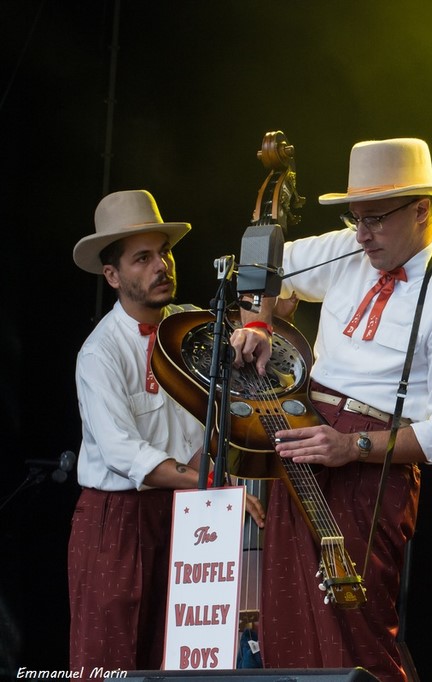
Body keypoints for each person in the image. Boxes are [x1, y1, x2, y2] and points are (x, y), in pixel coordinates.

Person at [231, 137, 432, 679]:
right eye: (355, 218)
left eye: (375, 218)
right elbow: (261, 262)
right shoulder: (350, 250)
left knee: (354, 633)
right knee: (285, 619)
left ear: (422, 210)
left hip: (370, 468)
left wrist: (352, 446)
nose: (361, 234)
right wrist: (257, 320)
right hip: (302, 438)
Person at [68, 189, 266, 669]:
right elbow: (123, 453)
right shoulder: (99, 352)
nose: (162, 266)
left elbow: (237, 385)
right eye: (143, 258)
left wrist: (262, 320)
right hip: (119, 519)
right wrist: (212, 485)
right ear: (112, 275)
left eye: (165, 253)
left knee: (181, 656)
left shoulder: (192, 326)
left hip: (187, 511)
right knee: (110, 660)